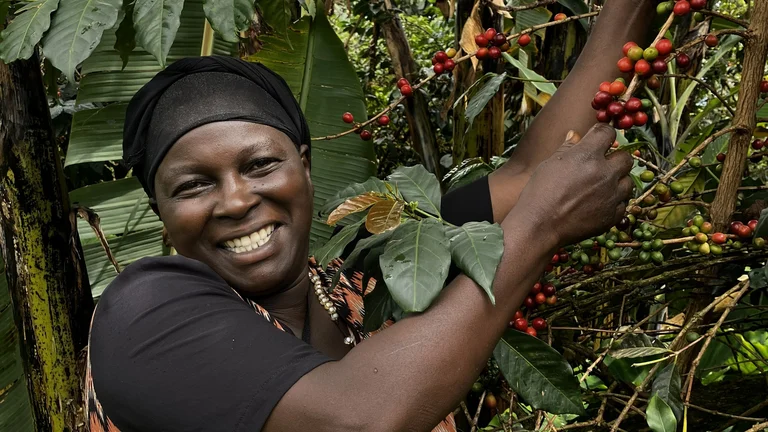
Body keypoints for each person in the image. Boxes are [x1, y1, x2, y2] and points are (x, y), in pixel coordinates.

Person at [85, 1, 653, 430]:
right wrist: (541, 226)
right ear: (161, 212)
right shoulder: (145, 314)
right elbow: (363, 417)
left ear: (305, 168)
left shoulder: (363, 272)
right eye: (194, 185)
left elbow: (533, 176)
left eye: (259, 165)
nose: (235, 201)